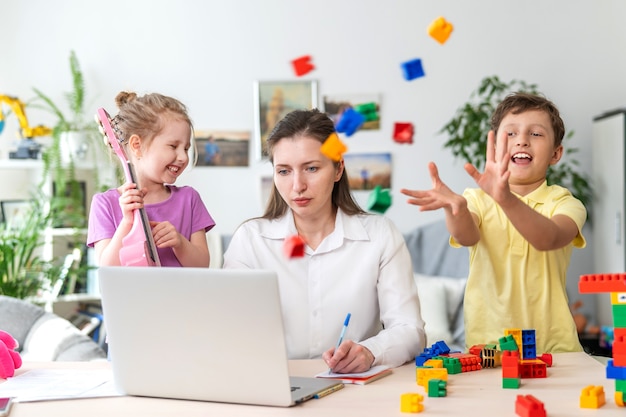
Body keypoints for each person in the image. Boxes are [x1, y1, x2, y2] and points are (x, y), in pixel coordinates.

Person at [223, 108, 425, 373]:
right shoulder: (251, 240)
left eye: (311, 168)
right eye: (284, 171)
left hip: (354, 387)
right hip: (274, 382)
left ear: (338, 168)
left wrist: (370, 351)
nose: (297, 186)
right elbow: (228, 330)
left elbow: (410, 330)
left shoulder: (380, 235)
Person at [401, 92, 586, 354]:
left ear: (556, 154)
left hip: (554, 347)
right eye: (510, 134)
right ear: (497, 149)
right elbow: (466, 236)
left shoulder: (565, 203)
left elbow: (549, 238)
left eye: (536, 134)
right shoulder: (476, 199)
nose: (522, 140)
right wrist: (455, 208)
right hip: (488, 345)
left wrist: (505, 198)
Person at [87, 91, 215, 267]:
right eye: (173, 146)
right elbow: (107, 268)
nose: (183, 157)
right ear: (137, 146)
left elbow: (202, 265)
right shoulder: (105, 203)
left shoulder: (189, 199)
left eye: (185, 148)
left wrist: (180, 243)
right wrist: (127, 222)